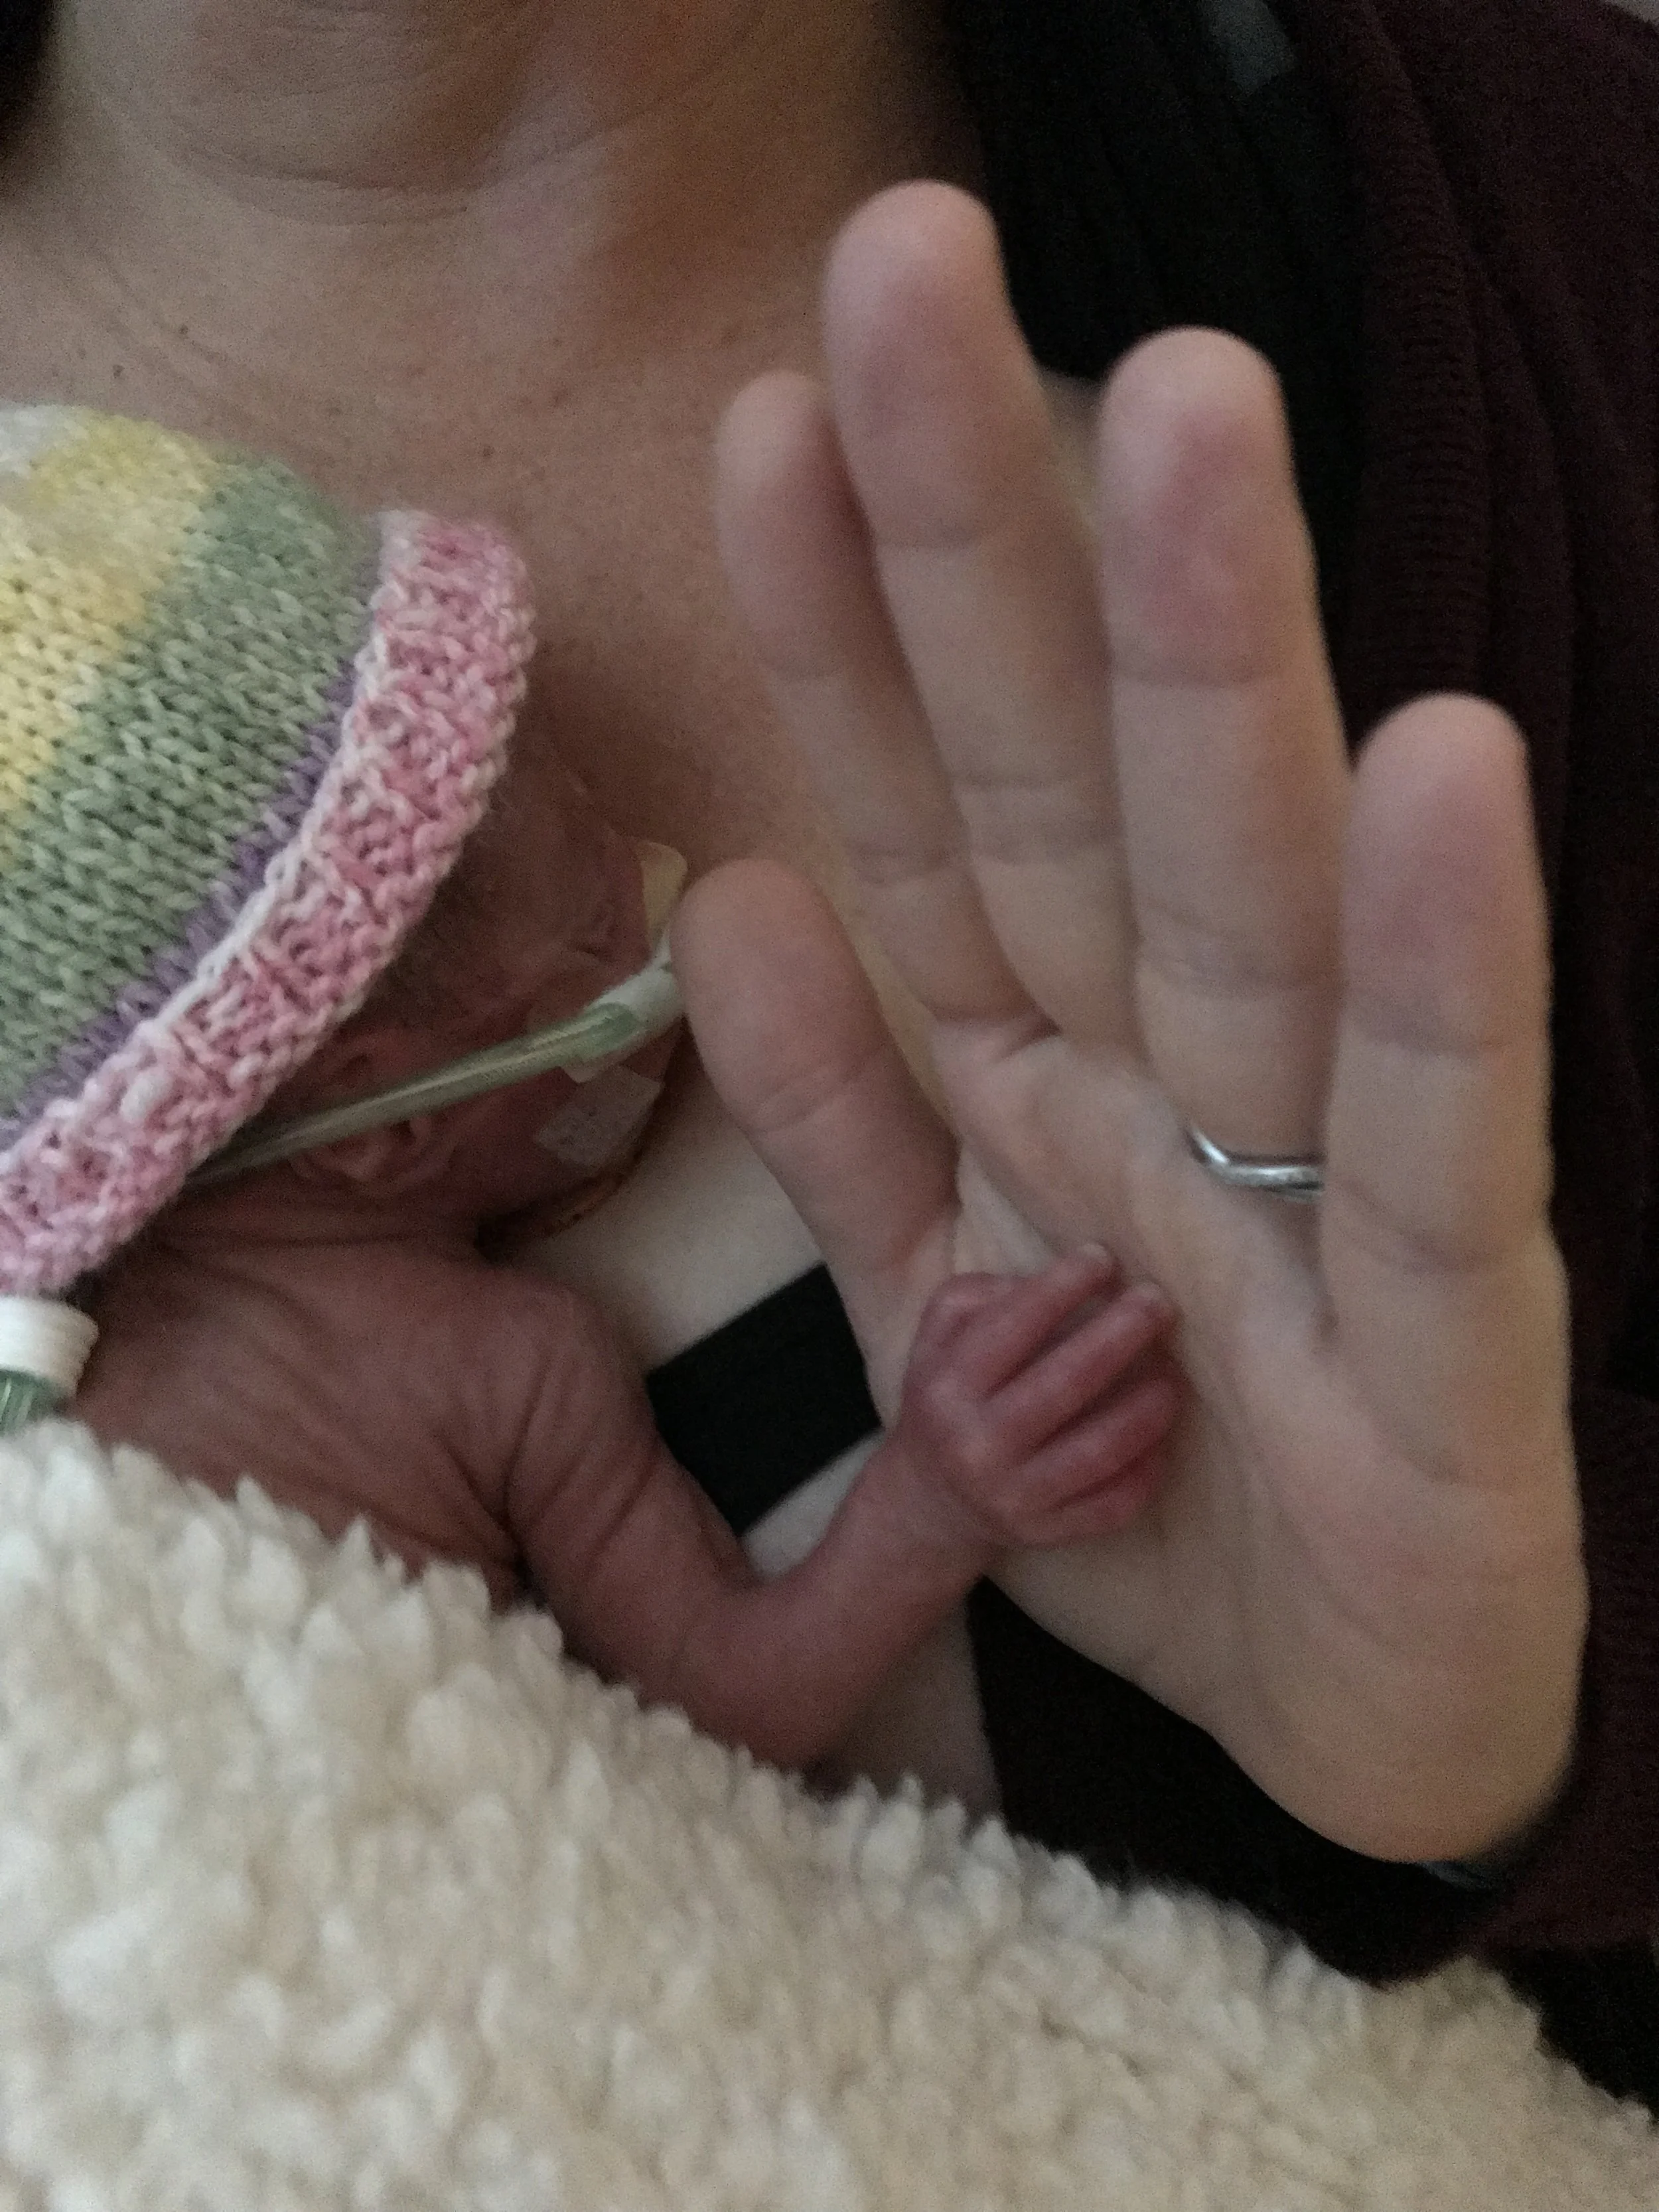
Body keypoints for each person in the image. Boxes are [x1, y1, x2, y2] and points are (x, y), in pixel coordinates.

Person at [1, 0, 1655, 2100]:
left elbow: (743, 1675)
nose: (642, 893)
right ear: (347, 1115)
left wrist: (1521, 1723)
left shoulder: (1546, 247)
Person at [0, 404, 1184, 1774]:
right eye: (594, 921)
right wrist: (932, 1493)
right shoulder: (507, 1362)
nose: (656, 875)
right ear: (386, 1115)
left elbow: (692, 1741)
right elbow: (730, 1708)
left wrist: (933, 1491)